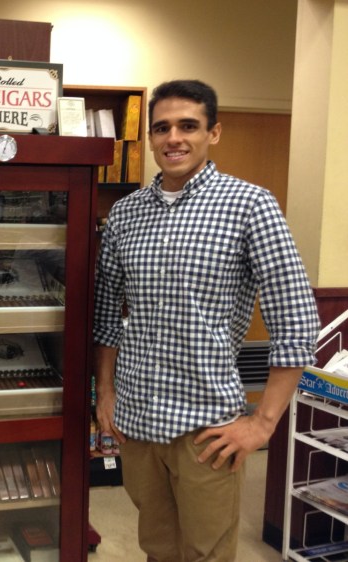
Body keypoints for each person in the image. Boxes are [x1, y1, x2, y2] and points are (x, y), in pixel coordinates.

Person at [93, 79, 320, 561]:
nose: (173, 138)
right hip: (137, 422)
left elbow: (296, 321)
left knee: (206, 553)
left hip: (207, 429)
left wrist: (263, 423)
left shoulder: (250, 205)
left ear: (213, 133)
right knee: (157, 547)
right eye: (162, 128)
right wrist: (106, 393)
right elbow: (107, 314)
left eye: (188, 126)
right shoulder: (125, 215)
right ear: (150, 137)